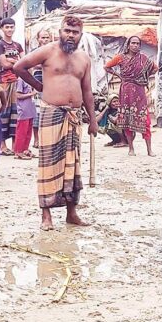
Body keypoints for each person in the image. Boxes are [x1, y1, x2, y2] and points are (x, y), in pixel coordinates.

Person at [13, 15, 98, 231]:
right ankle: (46, 216)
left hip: (74, 116)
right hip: (51, 113)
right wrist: (39, 86)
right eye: (67, 30)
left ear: (81, 34)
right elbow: (19, 67)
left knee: (73, 165)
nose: (70, 35)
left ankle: (71, 213)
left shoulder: (84, 59)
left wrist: (93, 120)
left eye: (75, 32)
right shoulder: (48, 51)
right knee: (49, 164)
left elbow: (87, 91)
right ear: (60, 31)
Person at [103, 35, 159, 157]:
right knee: (127, 120)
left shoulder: (143, 58)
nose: (135, 45)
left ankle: (149, 150)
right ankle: (131, 149)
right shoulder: (120, 58)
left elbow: (155, 68)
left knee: (145, 120)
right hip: (126, 91)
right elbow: (106, 66)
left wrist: (144, 76)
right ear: (128, 45)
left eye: (138, 44)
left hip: (139, 91)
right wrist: (118, 75)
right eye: (133, 43)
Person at [0, 17, 24, 156]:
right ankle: (2, 146)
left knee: (16, 114)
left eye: (11, 27)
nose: (9, 30)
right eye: (6, 27)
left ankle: (15, 145)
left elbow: (25, 62)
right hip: (5, 83)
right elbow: (4, 64)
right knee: (4, 113)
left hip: (17, 82)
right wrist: (16, 62)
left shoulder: (18, 45)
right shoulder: (0, 45)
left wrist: (12, 61)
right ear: (2, 28)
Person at [32, 29, 52, 148]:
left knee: (49, 108)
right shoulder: (35, 51)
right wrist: (47, 63)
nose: (44, 40)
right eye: (42, 37)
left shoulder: (54, 51)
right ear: (38, 39)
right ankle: (36, 139)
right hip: (38, 79)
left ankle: (47, 138)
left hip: (51, 80)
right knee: (37, 110)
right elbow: (33, 63)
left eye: (46, 37)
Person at [14, 78, 36, 159]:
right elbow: (18, 95)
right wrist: (31, 94)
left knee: (28, 132)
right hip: (23, 109)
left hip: (30, 109)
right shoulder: (21, 80)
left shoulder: (29, 78)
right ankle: (18, 151)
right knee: (22, 132)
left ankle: (25, 149)